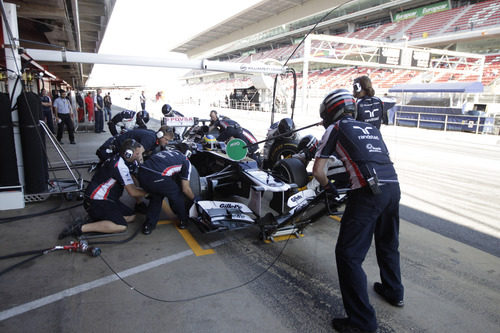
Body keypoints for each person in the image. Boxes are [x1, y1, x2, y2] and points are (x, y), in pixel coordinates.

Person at [312, 89, 403, 333]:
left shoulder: (336, 129)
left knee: (348, 255)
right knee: (387, 242)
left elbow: (318, 171)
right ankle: (394, 291)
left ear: (331, 112)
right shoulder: (372, 129)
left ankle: (362, 322)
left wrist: (329, 189)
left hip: (367, 192)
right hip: (393, 188)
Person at [58, 139, 147, 239]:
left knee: (131, 216)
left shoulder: (117, 158)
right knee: (121, 226)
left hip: (105, 199)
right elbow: (132, 192)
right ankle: (80, 228)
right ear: (128, 154)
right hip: (96, 201)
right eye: (138, 154)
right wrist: (150, 192)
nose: (139, 156)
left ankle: (97, 219)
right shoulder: (120, 166)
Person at [137, 126, 196, 234]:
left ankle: (148, 226)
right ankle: (183, 220)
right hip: (157, 177)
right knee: (177, 195)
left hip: (141, 174)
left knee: (157, 196)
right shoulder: (185, 160)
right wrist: (196, 199)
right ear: (188, 154)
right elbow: (186, 189)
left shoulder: (165, 152)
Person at [96, 126, 168, 163]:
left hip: (124, 145)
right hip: (114, 146)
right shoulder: (150, 139)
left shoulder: (154, 137)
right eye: (166, 139)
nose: (167, 142)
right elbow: (139, 154)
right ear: (160, 135)